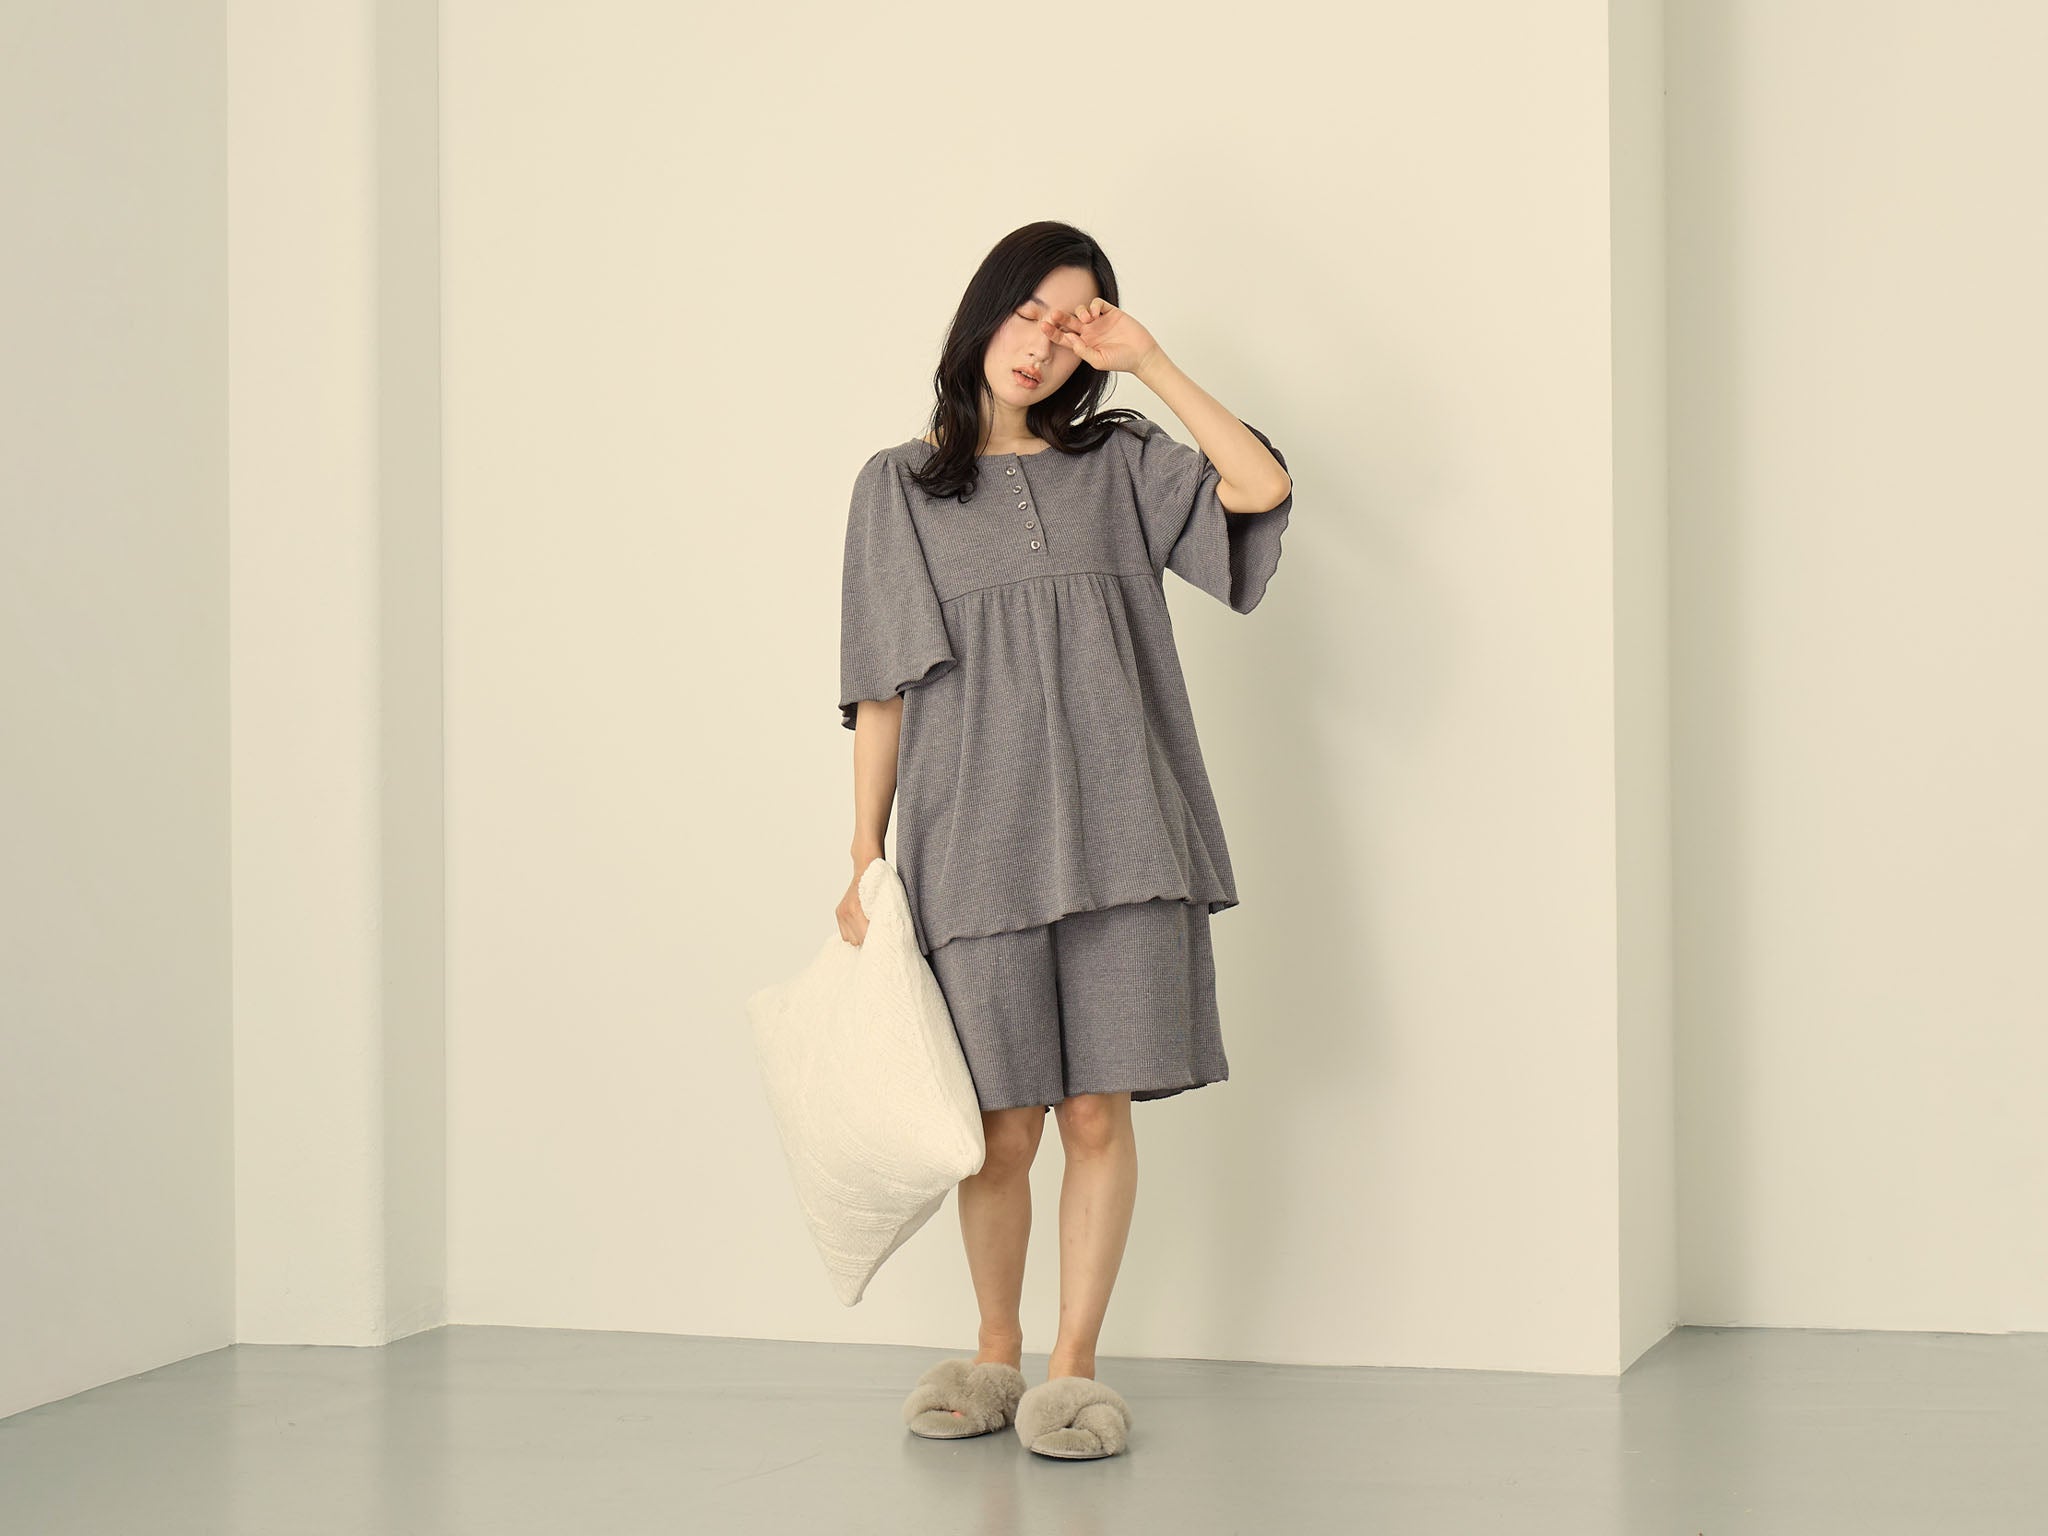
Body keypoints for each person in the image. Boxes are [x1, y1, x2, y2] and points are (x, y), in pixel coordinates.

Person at [833, 221, 1294, 1460]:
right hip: (971, 838)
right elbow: (880, 691)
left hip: (1126, 829)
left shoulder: (1121, 464)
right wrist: (863, 855)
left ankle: (1073, 1372)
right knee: (1001, 1125)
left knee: (1095, 1112)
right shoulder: (897, 488)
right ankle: (994, 1354)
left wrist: (1151, 363)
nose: (1040, 342)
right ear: (984, 313)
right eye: (1027, 310)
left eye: (1071, 321)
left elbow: (1256, 490)